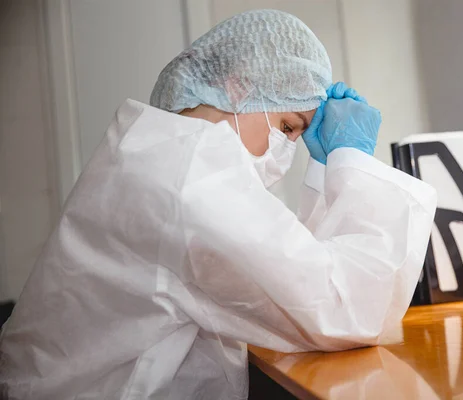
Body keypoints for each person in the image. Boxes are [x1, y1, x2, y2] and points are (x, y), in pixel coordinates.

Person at [0, 9, 436, 400]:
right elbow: (345, 311)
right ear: (239, 86)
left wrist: (328, 170)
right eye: (287, 127)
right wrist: (353, 159)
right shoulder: (191, 178)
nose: (286, 154)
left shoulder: (163, 152)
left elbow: (294, 271)